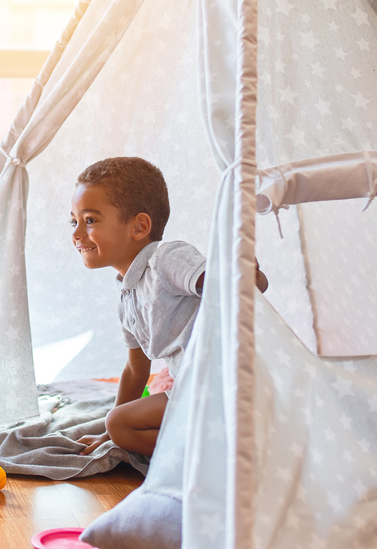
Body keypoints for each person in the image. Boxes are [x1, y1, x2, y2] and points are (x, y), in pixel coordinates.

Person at [72, 157, 267, 457]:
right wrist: (109, 435)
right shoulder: (127, 297)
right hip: (194, 392)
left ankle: (213, 458)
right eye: (74, 221)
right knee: (118, 425)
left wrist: (243, 274)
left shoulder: (165, 259)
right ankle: (209, 448)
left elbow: (225, 285)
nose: (76, 233)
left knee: (118, 423)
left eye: (90, 220)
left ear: (139, 227)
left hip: (226, 384)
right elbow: (136, 371)